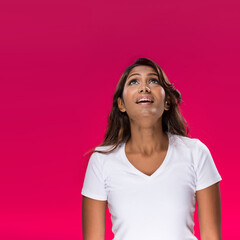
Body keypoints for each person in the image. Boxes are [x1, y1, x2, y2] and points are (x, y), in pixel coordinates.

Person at [81, 57, 222, 240]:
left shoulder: (196, 153)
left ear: (167, 102)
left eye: (153, 80)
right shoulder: (101, 161)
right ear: (121, 104)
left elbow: (212, 237)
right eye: (134, 81)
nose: (144, 87)